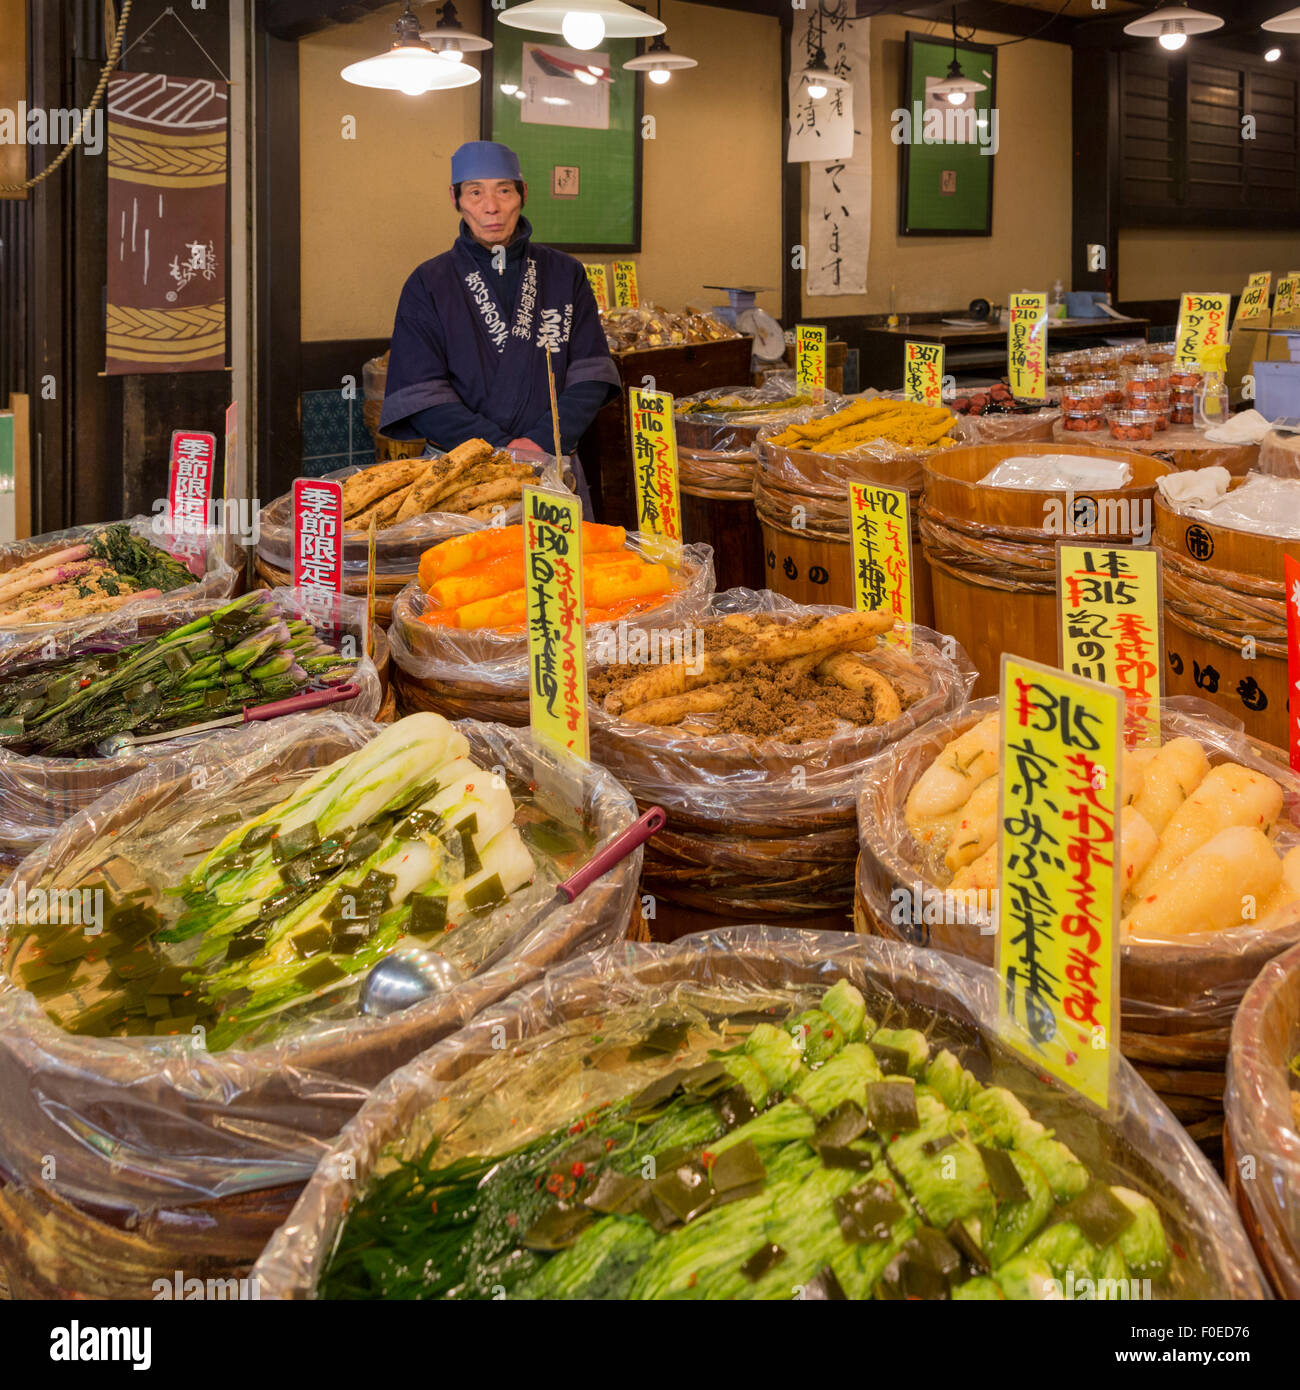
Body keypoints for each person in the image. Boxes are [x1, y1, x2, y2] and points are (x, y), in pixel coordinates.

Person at [380, 141, 620, 515]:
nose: (491, 206)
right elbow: (422, 393)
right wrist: (503, 449)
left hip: (550, 465)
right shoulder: (429, 282)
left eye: (504, 191)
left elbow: (590, 374)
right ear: (455, 198)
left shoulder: (564, 273)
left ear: (523, 194)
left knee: (559, 569)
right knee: (463, 572)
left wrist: (537, 444)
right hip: (462, 475)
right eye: (475, 192)